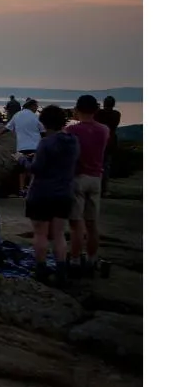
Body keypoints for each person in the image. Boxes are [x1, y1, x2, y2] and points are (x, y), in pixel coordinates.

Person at [24, 105, 78, 283]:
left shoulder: (45, 143)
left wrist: (23, 161)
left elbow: (36, 169)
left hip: (42, 194)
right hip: (64, 193)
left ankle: (41, 269)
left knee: (40, 234)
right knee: (59, 234)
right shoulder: (73, 141)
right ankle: (61, 270)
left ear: (44, 122)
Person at [67, 95, 112, 278]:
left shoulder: (71, 130)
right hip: (96, 178)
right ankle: (93, 259)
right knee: (92, 224)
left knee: (76, 224)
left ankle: (76, 260)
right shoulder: (104, 130)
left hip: (77, 178)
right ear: (96, 110)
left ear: (77, 109)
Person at [0, 99, 44, 196]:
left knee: (21, 170)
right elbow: (43, 129)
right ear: (32, 106)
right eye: (36, 106)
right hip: (35, 146)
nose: (36, 109)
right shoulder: (35, 117)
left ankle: (21, 190)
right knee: (33, 169)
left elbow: (7, 128)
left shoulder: (17, 115)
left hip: (21, 147)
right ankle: (31, 189)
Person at [95, 96, 123, 197]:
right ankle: (105, 189)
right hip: (111, 142)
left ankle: (97, 188)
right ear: (113, 104)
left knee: (97, 165)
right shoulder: (116, 114)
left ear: (104, 103)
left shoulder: (99, 113)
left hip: (99, 142)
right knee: (106, 166)